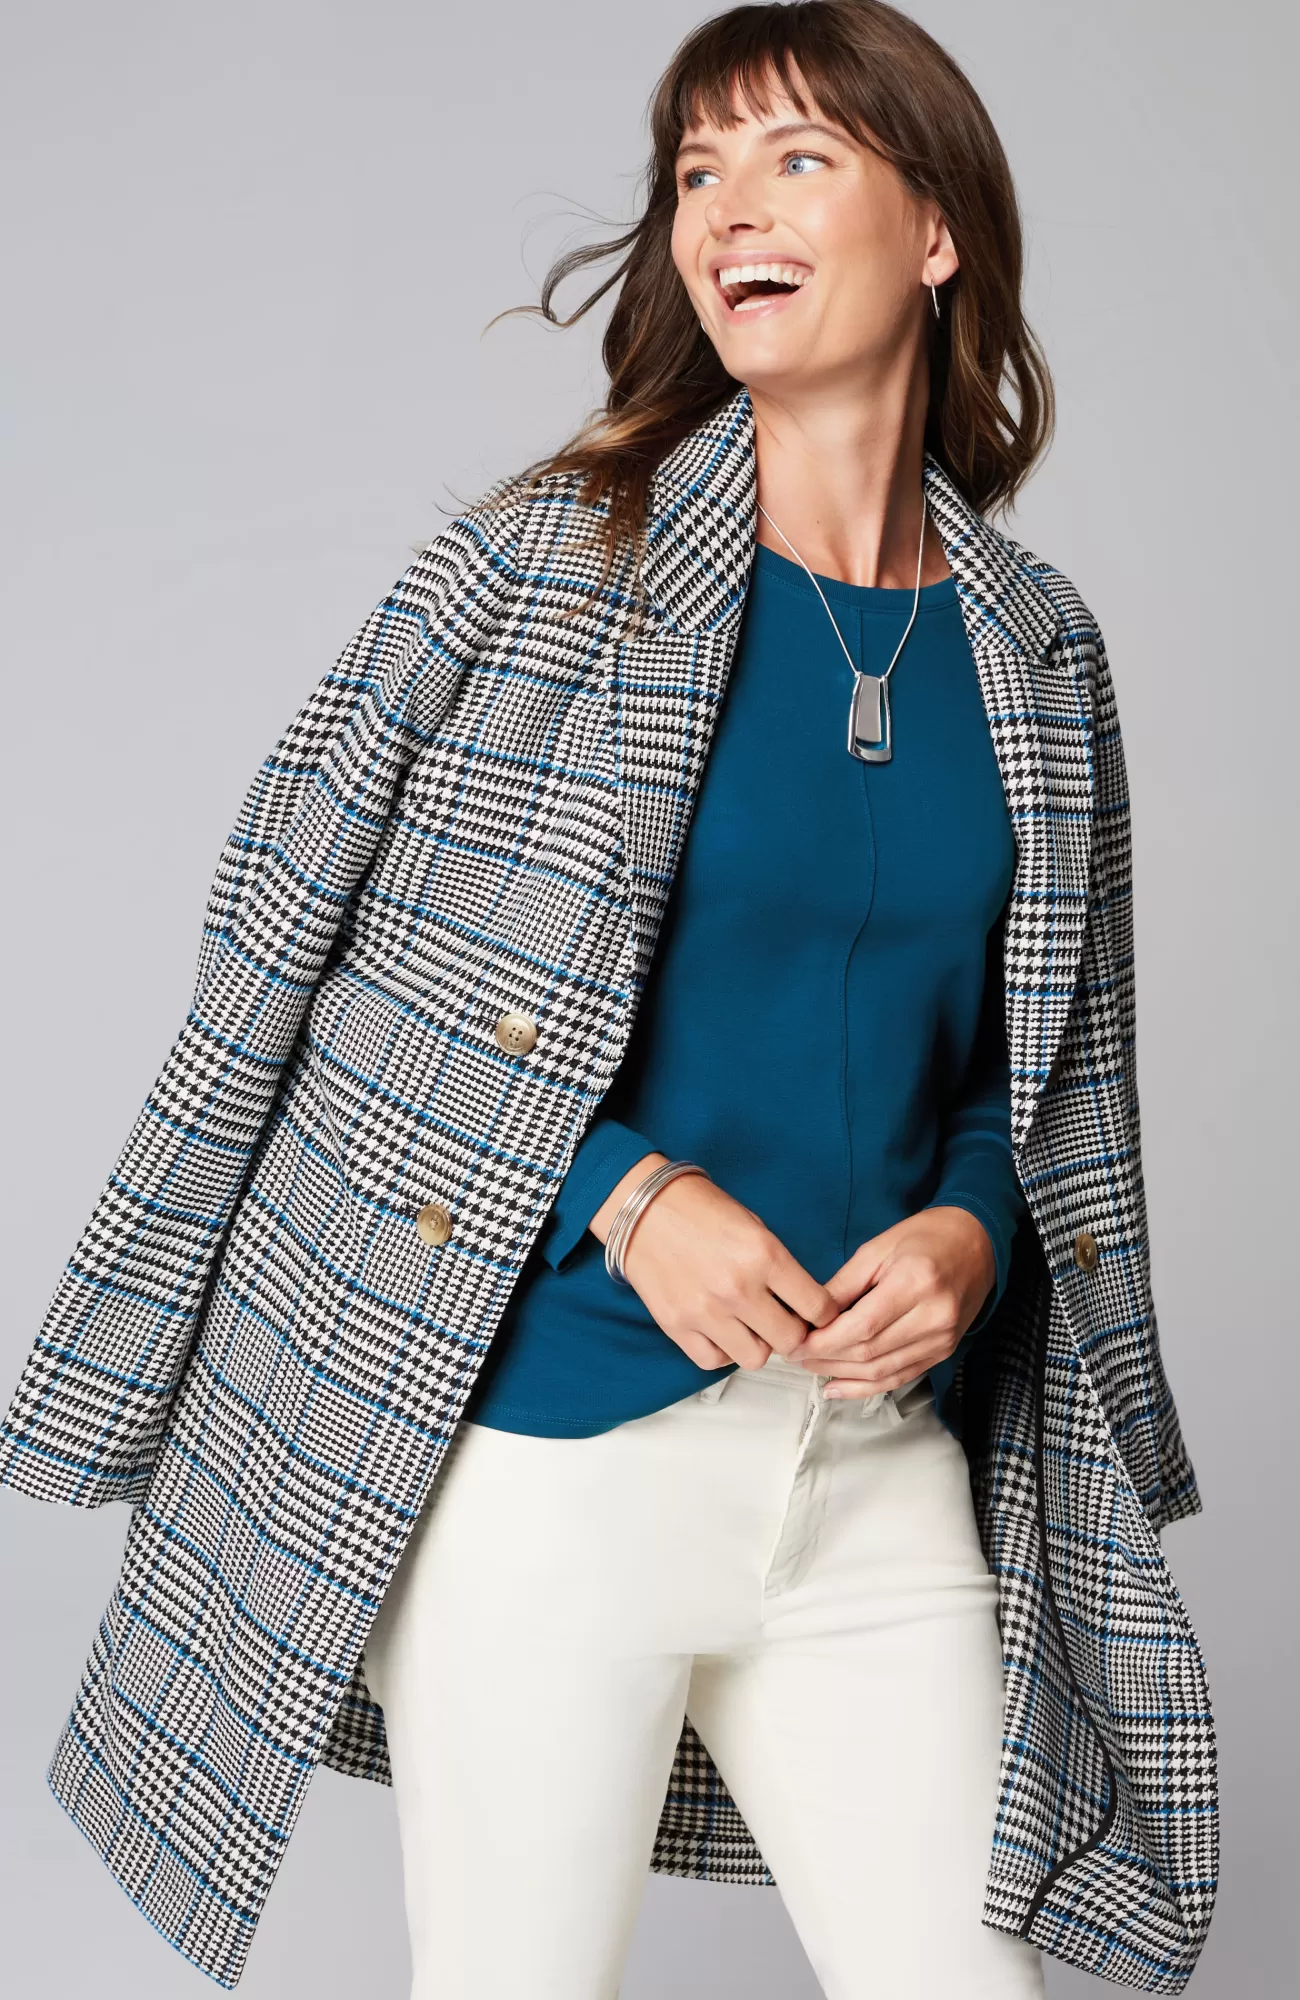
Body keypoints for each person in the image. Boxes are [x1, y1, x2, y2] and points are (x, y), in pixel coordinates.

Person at [0, 4, 1216, 1998]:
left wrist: (967, 1236)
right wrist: (626, 1197)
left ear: (935, 233)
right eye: (695, 173)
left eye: (796, 158)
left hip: (864, 1467)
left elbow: (1041, 1078)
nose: (727, 209)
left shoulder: (1034, 649)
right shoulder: (546, 572)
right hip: (550, 1462)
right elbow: (325, 970)